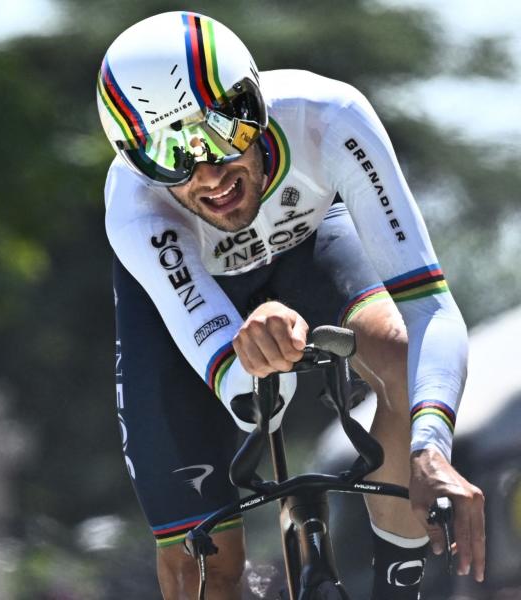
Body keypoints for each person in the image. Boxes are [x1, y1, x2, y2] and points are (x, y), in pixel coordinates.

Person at [98, 11, 485, 600]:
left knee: (404, 356)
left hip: (309, 246)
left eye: (222, 131)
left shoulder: (329, 117)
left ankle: (397, 585)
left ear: (256, 104)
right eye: (169, 154)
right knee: (203, 573)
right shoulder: (134, 206)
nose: (208, 172)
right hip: (194, 297)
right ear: (137, 163)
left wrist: (431, 448)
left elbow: (431, 308)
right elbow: (253, 407)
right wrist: (256, 353)